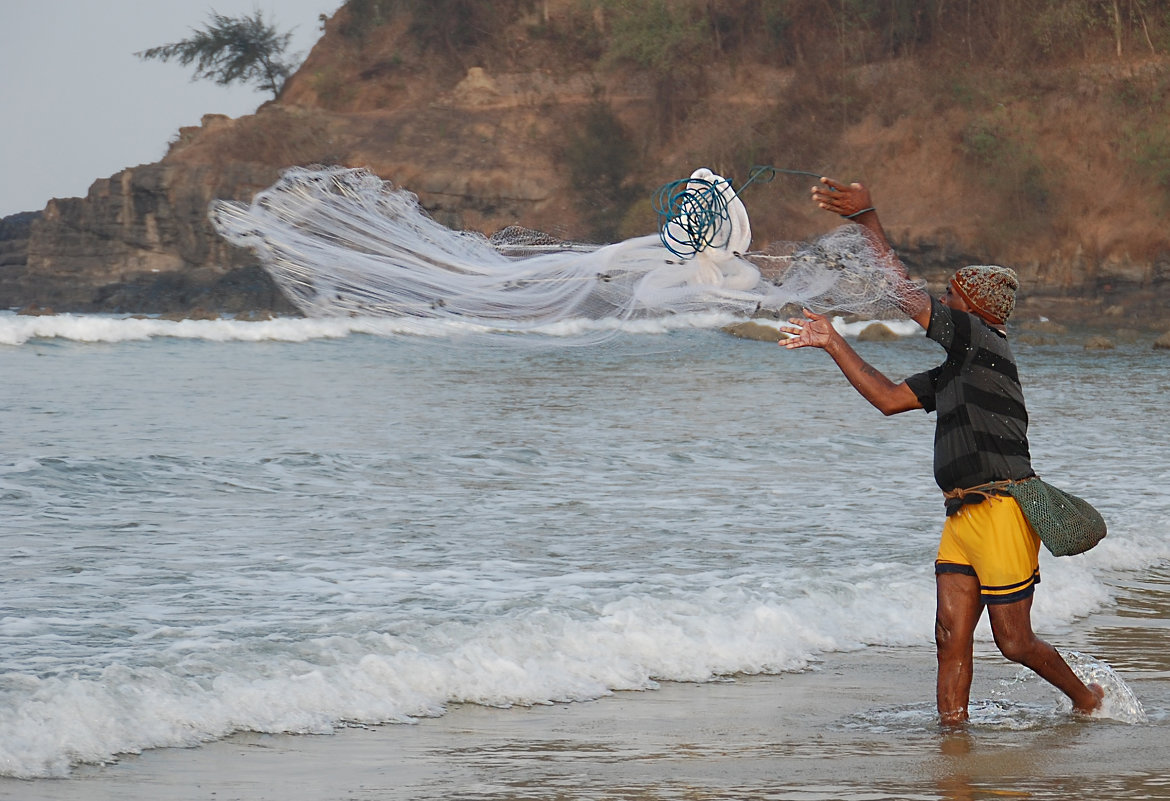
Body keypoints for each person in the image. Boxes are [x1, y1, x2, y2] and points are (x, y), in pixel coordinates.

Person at [781, 177, 1104, 725]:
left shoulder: (983, 342)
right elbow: (886, 399)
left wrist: (868, 220)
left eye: (951, 296)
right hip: (961, 516)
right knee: (948, 636)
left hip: (1003, 510)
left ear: (973, 308)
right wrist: (834, 343)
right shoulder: (959, 366)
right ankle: (952, 735)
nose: (943, 302)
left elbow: (907, 296)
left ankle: (1086, 698)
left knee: (1014, 642)